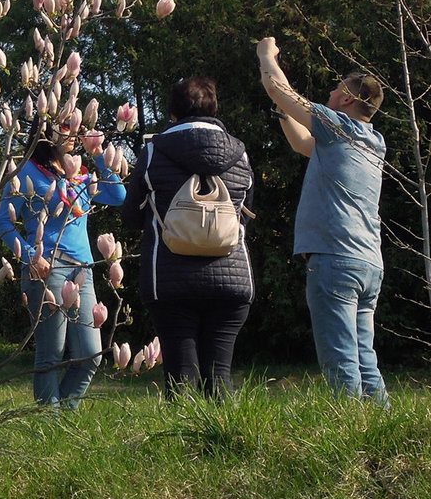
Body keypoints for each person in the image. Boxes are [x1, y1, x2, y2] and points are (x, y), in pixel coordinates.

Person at [257, 37, 388, 404]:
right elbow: (303, 145)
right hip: (367, 263)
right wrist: (284, 112)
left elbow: (276, 86)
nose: (331, 91)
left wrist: (266, 55)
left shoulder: (338, 127)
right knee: (365, 359)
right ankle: (380, 427)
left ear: (347, 99)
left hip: (333, 259)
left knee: (340, 360)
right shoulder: (370, 143)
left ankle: (349, 435)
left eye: (337, 87)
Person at [120, 78, 255, 398]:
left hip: (170, 279)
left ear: (173, 112)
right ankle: (226, 445)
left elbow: (130, 218)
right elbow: (247, 211)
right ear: (214, 109)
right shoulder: (241, 154)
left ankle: (183, 447)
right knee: (219, 376)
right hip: (231, 278)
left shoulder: (153, 152)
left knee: (181, 376)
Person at [0, 120, 125, 409]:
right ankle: (50, 425)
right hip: (47, 268)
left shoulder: (80, 174)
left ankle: (59, 420)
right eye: (64, 126)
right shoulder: (24, 172)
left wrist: (98, 152)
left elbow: (118, 196)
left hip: (84, 269)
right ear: (44, 132)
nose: (73, 133)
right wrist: (31, 255)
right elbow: (3, 222)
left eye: (76, 127)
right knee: (51, 354)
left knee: (91, 355)